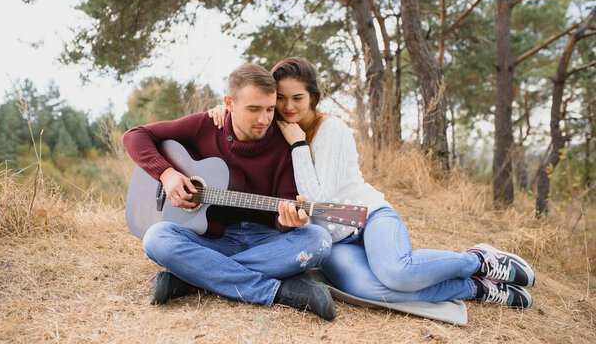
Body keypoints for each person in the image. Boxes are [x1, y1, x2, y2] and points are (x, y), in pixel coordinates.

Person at [208, 57, 535, 309]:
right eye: (280, 99)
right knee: (371, 290)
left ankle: (479, 260)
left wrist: (298, 146)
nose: (288, 106)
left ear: (313, 97)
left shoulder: (330, 129)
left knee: (397, 273)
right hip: (334, 239)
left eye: (298, 98)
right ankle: (476, 288)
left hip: (367, 216)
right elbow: (239, 113)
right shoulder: (272, 128)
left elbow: (319, 199)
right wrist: (220, 113)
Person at [122, 63, 337, 320]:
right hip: (210, 239)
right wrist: (167, 174)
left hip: (263, 239)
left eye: (270, 109)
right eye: (254, 109)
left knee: (318, 239)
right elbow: (135, 135)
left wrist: (289, 220)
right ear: (229, 103)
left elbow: (286, 206)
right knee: (157, 238)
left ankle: (193, 279)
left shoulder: (283, 144)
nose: (264, 119)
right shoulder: (205, 125)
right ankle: (277, 291)